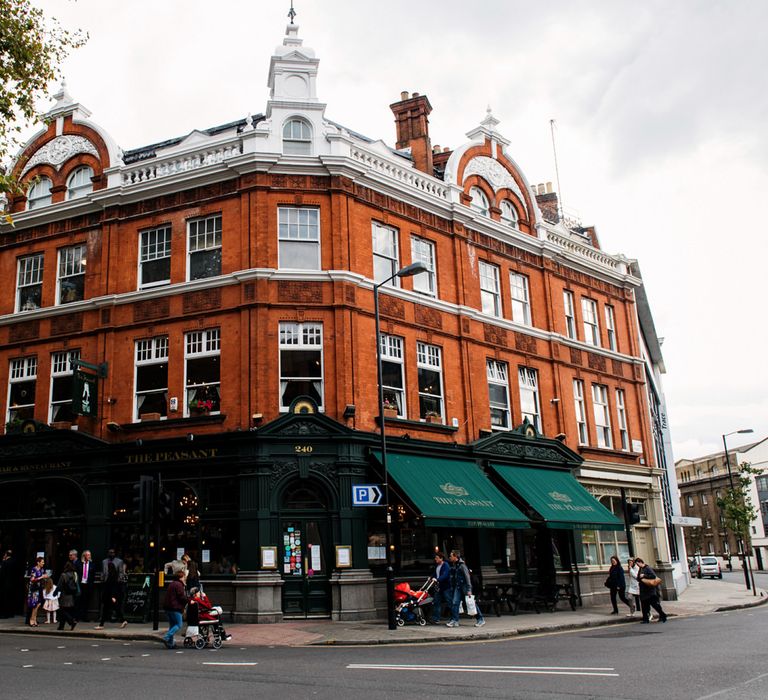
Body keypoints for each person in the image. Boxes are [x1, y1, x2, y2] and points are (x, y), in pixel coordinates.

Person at [446, 550, 485, 628]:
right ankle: (455, 620)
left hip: (464, 588)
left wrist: (469, 589)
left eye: (451, 556)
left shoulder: (462, 565)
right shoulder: (455, 565)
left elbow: (468, 578)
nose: (450, 557)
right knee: (455, 603)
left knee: (471, 603)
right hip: (458, 587)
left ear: (455, 556)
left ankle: (480, 619)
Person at [94, 562, 127, 629]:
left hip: (109, 596)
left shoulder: (112, 575)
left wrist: (113, 596)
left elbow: (112, 587)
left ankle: (101, 625)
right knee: (112, 609)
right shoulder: (114, 574)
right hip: (109, 596)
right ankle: (123, 620)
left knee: (108, 610)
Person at [634, 557, 667, 624]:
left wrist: (644, 575)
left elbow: (653, 576)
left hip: (650, 591)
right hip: (643, 591)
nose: (637, 565)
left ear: (640, 562)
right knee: (644, 606)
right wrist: (639, 578)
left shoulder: (647, 568)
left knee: (655, 605)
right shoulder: (641, 569)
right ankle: (645, 619)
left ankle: (663, 615)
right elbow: (638, 578)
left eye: (638, 564)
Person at [162, 569, 188, 649]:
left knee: (172, 625)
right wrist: (189, 600)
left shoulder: (172, 584)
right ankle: (166, 637)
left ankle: (171, 644)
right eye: (184, 577)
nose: (184, 578)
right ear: (180, 577)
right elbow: (181, 597)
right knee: (179, 624)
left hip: (168, 608)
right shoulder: (179, 585)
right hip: (175, 608)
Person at [429, 551, 452, 624]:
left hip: (446, 587)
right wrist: (431, 577)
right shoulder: (437, 566)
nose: (435, 559)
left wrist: (437, 579)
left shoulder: (446, 565)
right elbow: (435, 574)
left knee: (449, 602)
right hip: (438, 587)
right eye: (435, 558)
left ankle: (453, 617)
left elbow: (445, 575)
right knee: (436, 602)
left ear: (441, 558)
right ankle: (436, 618)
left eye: (437, 558)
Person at [27, 556, 49, 626]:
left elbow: (44, 577)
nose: (43, 563)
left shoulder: (42, 570)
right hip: (34, 589)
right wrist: (41, 577)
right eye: (42, 562)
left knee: (38, 605)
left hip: (39, 589)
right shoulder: (34, 569)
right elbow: (32, 580)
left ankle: (34, 620)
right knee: (34, 605)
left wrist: (45, 577)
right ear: (38, 563)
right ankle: (31, 620)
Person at [56, 561, 78, 630]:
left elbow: (59, 585)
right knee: (65, 610)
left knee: (62, 610)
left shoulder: (63, 575)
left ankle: (71, 621)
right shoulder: (74, 575)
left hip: (64, 595)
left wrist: (55, 592)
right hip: (71, 595)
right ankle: (61, 626)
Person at [75, 550, 95, 622]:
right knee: (78, 601)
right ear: (84, 556)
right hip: (80, 584)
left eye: (90, 555)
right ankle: (77, 617)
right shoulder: (79, 563)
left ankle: (84, 617)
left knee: (86, 601)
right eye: (87, 555)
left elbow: (93, 575)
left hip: (88, 585)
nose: (89, 556)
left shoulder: (92, 564)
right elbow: (76, 574)